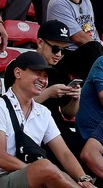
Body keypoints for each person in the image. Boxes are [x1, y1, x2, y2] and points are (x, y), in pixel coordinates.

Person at [0, 51, 94, 188]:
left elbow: (64, 153)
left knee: (52, 170)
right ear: (18, 73)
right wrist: (38, 171)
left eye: (45, 76)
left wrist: (84, 178)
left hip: (32, 179)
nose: (43, 80)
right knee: (45, 166)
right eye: (37, 73)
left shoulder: (43, 112)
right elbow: (0, 158)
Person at [46, 0, 103, 80]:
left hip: (89, 52)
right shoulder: (58, 4)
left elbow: (93, 29)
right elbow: (79, 38)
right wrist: (102, 50)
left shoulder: (87, 1)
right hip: (66, 55)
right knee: (95, 49)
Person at [32, 20, 83, 154]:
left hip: (56, 128)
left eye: (63, 50)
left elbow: (68, 113)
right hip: (31, 129)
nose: (59, 55)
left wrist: (75, 98)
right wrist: (48, 93)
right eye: (55, 49)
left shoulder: (60, 70)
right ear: (40, 43)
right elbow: (16, 105)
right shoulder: (22, 66)